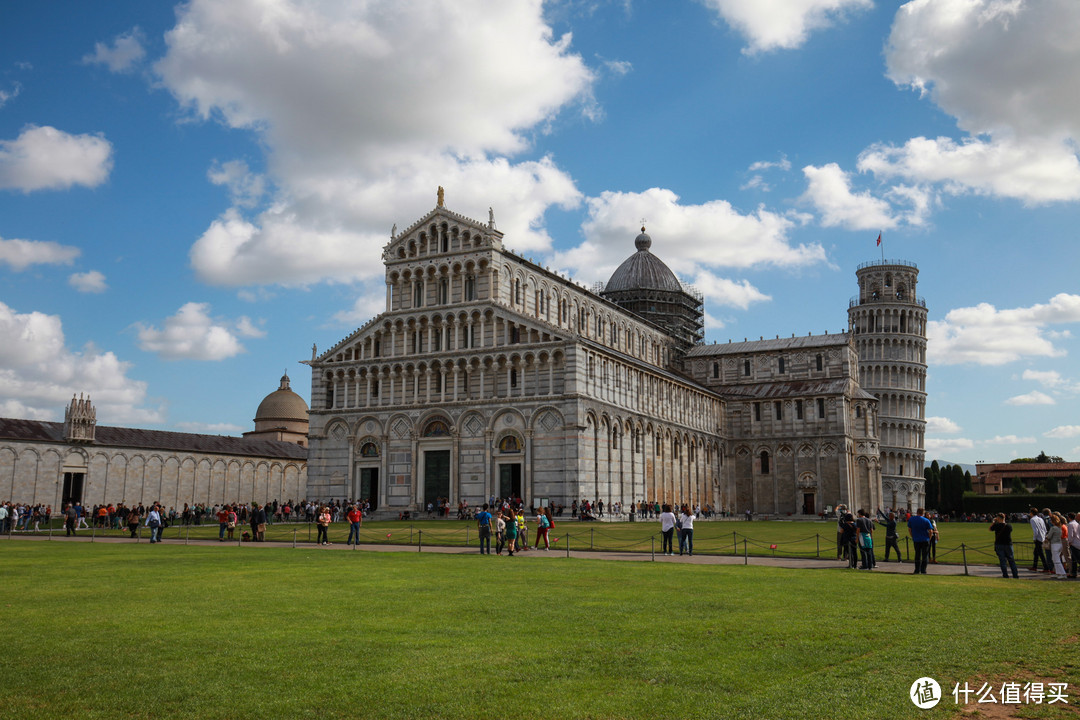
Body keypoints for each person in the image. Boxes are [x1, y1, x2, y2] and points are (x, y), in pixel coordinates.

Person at [990, 513, 1019, 578]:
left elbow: (990, 529)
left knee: (1002, 561)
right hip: (1008, 544)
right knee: (1011, 560)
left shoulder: (996, 525)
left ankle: (1005, 575)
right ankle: (1015, 575)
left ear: (998, 518)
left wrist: (994, 522)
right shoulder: (1009, 526)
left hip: (999, 544)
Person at [907, 508, 934, 574]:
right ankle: (923, 570)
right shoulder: (926, 520)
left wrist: (912, 536)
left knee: (917, 554)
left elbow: (909, 529)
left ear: (917, 512)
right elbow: (930, 531)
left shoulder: (912, 519)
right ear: (923, 513)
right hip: (925, 539)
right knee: (925, 555)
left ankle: (917, 569)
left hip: (916, 539)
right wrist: (929, 538)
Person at [1030, 507, 1050, 573]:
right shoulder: (1040, 518)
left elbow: (1035, 530)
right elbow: (1044, 529)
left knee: (1040, 553)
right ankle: (1034, 566)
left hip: (1038, 538)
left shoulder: (1032, 519)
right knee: (1036, 552)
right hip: (1042, 537)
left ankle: (1046, 567)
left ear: (1031, 513)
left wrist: (1034, 538)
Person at [1067, 513, 1080, 579]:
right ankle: (1073, 572)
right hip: (1078, 542)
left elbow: (1070, 535)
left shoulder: (1070, 524)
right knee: (1074, 560)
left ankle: (1074, 573)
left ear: (1069, 517)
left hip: (1074, 543)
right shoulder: (1077, 524)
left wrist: (1069, 542)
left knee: (1076, 559)